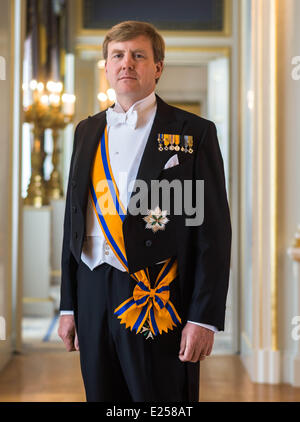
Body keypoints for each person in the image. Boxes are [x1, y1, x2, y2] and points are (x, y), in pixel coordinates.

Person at [58, 20, 232, 402]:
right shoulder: (86, 131)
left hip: (157, 291)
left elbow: (212, 233)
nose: (127, 64)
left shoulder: (194, 132)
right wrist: (68, 305)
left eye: (139, 55)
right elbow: (74, 220)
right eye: (117, 56)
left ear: (158, 67)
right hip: (91, 289)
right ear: (106, 66)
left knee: (161, 401)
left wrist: (203, 317)